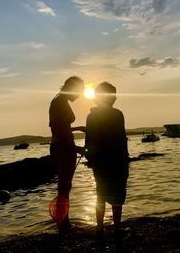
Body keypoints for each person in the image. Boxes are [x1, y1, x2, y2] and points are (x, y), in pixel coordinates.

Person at [84, 82, 129, 238]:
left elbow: (88, 142)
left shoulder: (91, 116)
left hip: (100, 163)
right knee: (117, 195)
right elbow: (122, 140)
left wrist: (88, 156)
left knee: (100, 195)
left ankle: (99, 228)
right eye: (112, 94)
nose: (115, 97)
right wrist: (126, 161)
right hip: (117, 162)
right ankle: (116, 228)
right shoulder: (118, 115)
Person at [49, 76, 85, 232]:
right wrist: (76, 148)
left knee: (65, 186)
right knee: (64, 187)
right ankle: (63, 224)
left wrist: (76, 129)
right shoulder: (59, 102)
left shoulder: (59, 101)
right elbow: (56, 129)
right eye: (79, 92)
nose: (79, 96)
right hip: (64, 147)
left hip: (63, 146)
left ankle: (65, 222)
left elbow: (61, 126)